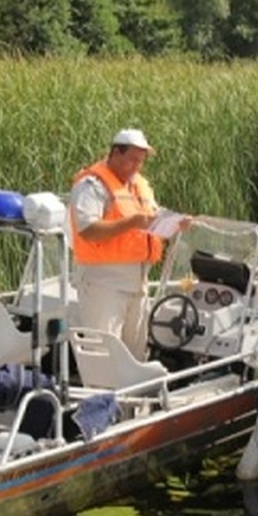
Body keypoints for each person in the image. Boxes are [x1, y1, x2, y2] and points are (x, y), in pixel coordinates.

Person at [69, 128, 185, 360]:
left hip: (138, 283)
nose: (136, 166)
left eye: (140, 161)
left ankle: (134, 395)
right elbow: (88, 231)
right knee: (103, 353)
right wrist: (131, 223)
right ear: (114, 153)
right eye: (131, 159)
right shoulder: (91, 186)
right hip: (104, 283)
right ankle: (100, 394)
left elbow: (152, 214)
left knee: (135, 354)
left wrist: (175, 222)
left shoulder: (139, 185)